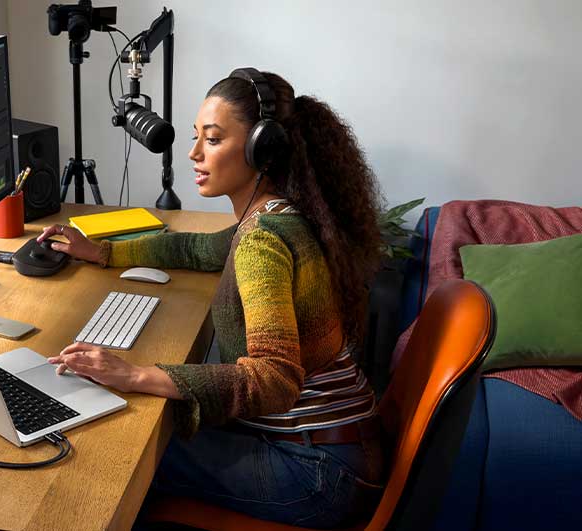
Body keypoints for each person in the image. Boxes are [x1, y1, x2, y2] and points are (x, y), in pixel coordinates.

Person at [38, 69, 385, 528]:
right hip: (337, 446)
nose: (194, 153)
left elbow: (274, 379)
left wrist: (138, 372)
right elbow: (194, 247)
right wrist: (101, 251)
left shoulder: (265, 240)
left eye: (214, 139)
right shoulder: (277, 214)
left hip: (318, 471)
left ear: (262, 149)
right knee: (140, 428)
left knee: (119, 455)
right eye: (196, 136)